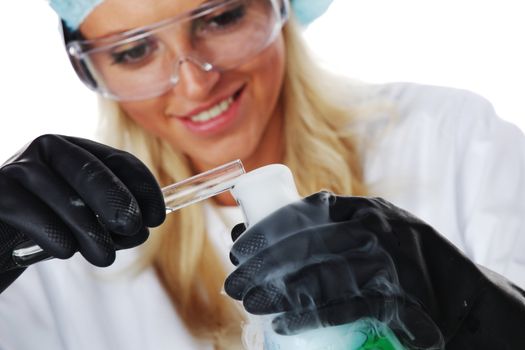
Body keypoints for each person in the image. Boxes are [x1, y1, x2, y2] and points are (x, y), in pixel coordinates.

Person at [0, 0, 524, 349]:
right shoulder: (57, 247)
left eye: (221, 17)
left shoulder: (453, 140)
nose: (195, 85)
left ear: (280, 7)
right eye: (134, 51)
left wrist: (466, 298)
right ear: (91, 70)